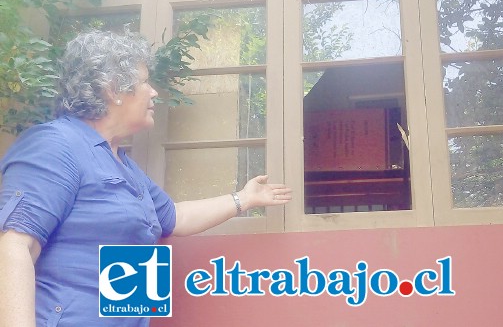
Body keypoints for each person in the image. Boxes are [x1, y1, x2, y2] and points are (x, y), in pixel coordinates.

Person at [0, 30, 292, 327]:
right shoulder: (55, 145)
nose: (153, 92)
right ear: (113, 90)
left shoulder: (123, 166)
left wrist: (244, 198)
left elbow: (174, 217)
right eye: (144, 83)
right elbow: (14, 246)